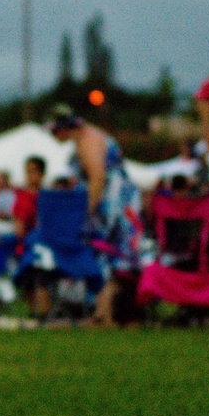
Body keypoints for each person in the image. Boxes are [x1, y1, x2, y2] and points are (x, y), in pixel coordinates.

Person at [47, 104, 142, 327]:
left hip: (112, 205)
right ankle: (103, 312)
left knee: (107, 255)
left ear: (63, 128)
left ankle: (105, 314)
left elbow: (98, 178)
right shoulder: (89, 136)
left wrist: (87, 213)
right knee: (111, 258)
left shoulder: (87, 141)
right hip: (119, 202)